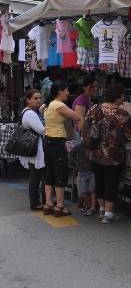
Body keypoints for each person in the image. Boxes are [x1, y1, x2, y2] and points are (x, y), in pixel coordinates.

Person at [85, 83, 131, 224]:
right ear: (118, 97)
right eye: (123, 96)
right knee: (111, 182)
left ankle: (101, 209)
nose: (124, 99)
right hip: (114, 155)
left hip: (96, 152)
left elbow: (85, 127)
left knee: (99, 180)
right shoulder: (121, 114)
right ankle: (108, 213)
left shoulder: (94, 108)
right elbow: (130, 135)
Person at [43, 81, 83, 217]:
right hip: (57, 142)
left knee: (49, 173)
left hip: (48, 141)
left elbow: (41, 108)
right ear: (59, 91)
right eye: (66, 90)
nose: (68, 93)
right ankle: (59, 206)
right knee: (60, 173)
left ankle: (48, 204)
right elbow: (77, 117)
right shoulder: (59, 104)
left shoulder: (48, 104)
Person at [73, 76, 98, 214]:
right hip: (82, 137)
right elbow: (80, 121)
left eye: (96, 86)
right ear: (85, 86)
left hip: (84, 137)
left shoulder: (86, 99)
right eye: (92, 86)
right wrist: (86, 139)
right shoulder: (82, 99)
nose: (95, 88)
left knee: (84, 171)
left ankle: (84, 199)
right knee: (84, 171)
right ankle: (83, 199)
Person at [18, 89, 46, 210]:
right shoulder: (30, 113)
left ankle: (38, 201)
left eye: (40, 98)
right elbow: (42, 130)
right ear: (28, 100)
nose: (38, 100)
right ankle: (36, 202)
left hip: (32, 147)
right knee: (36, 176)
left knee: (35, 175)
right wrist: (44, 117)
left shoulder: (27, 111)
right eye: (35, 98)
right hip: (35, 148)